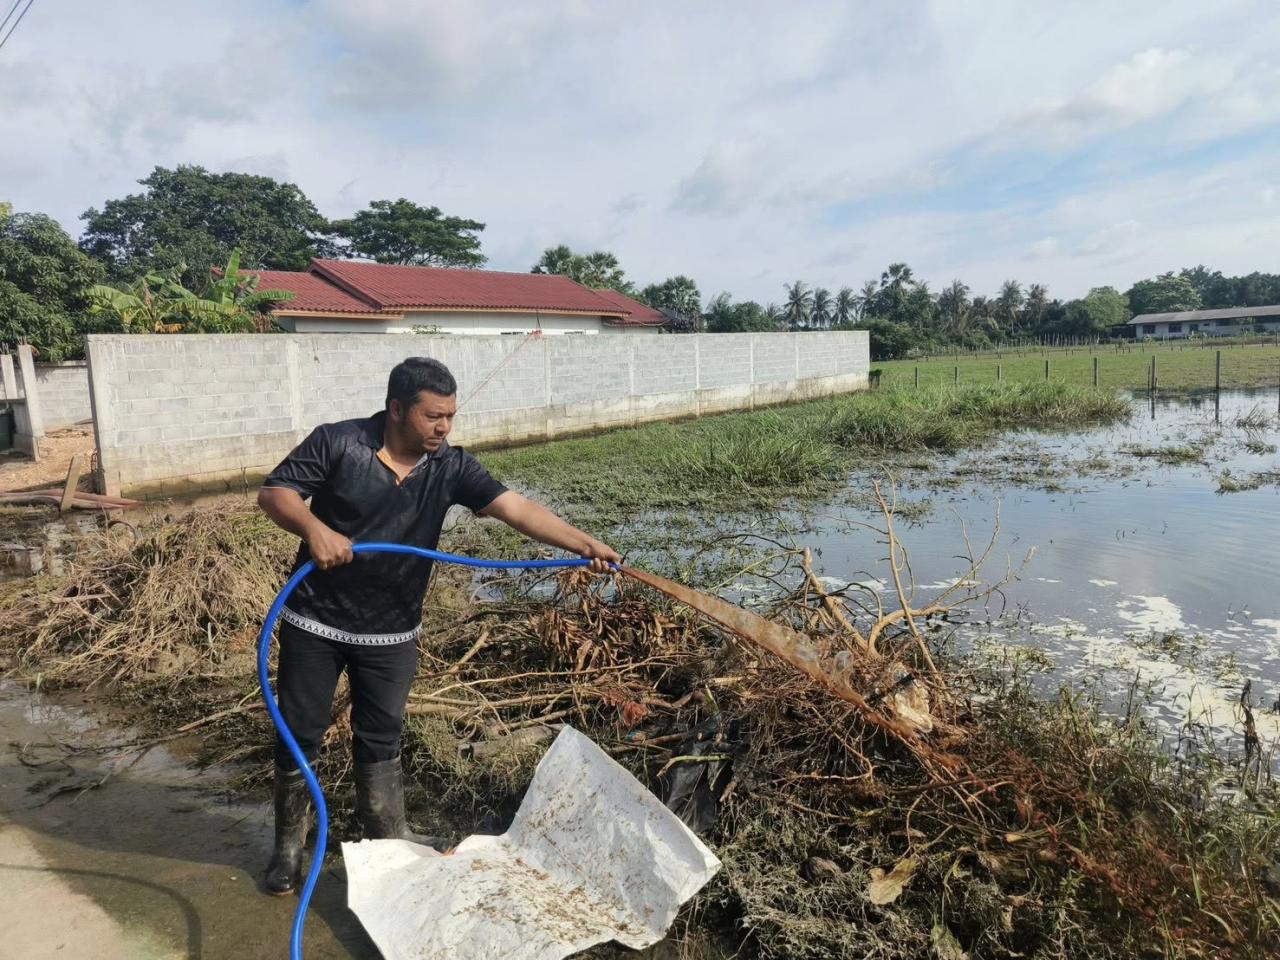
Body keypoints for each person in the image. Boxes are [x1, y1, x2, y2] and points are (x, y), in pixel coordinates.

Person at [255, 356, 620, 895]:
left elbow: (514, 508)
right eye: (433, 416)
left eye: (450, 416)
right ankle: (288, 849)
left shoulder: (450, 465)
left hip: (393, 631)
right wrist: (314, 529)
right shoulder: (338, 443)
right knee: (299, 733)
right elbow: (276, 493)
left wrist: (583, 544)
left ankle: (388, 841)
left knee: (380, 738)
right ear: (397, 408)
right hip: (315, 620)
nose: (444, 427)